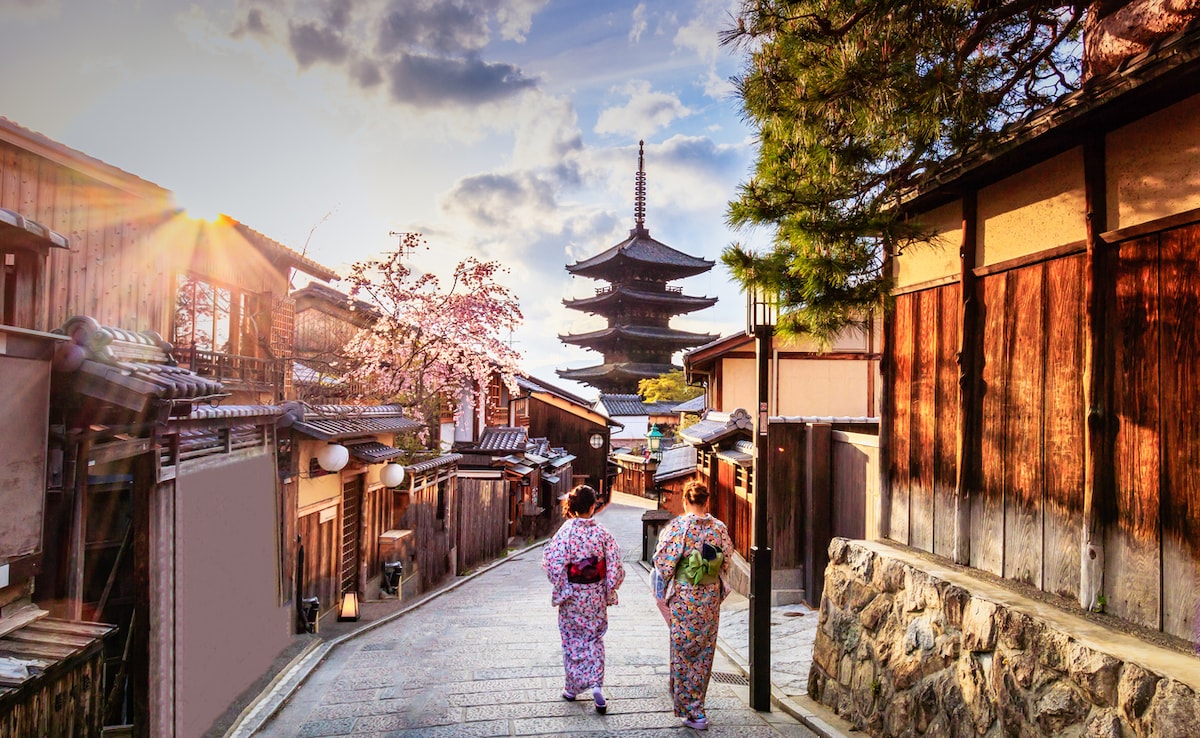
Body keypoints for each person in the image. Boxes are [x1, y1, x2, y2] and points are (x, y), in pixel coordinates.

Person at [652, 480, 732, 731]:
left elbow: (662, 562)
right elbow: (726, 559)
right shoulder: (718, 527)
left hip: (686, 596)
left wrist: (668, 580)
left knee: (683, 648)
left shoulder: (678, 527)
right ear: (706, 501)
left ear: (686, 501)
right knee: (704, 650)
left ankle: (692, 710)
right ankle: (696, 705)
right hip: (709, 596)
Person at [542, 484, 625, 714]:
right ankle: (596, 684)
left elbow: (552, 561)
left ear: (573, 506)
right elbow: (615, 564)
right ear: (592, 506)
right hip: (595, 594)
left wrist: (563, 584)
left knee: (571, 639)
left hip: (572, 595)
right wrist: (610, 587)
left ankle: (572, 688)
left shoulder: (566, 532)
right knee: (594, 639)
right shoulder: (602, 533)